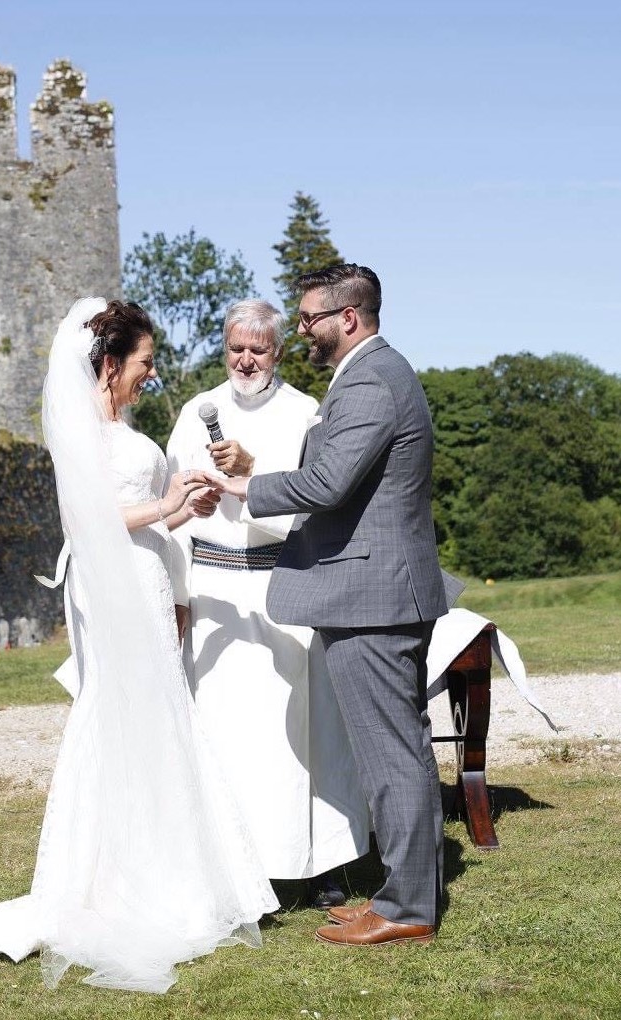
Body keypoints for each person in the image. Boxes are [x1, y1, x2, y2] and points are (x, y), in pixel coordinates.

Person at [0, 298, 278, 992]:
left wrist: (182, 509)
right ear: (111, 363)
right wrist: (166, 501)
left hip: (144, 572)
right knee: (118, 713)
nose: (152, 373)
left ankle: (171, 872)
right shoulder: (81, 429)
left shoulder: (121, 425)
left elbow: (139, 519)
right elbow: (89, 519)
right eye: (145, 362)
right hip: (110, 584)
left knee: (157, 716)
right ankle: (113, 883)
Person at [214, 265, 459, 948]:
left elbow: (328, 483)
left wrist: (245, 485)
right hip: (374, 592)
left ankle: (407, 907)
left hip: (372, 597)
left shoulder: (372, 381)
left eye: (308, 319)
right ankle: (403, 891)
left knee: (391, 754)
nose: (302, 331)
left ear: (347, 317)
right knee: (397, 750)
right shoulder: (370, 375)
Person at [166, 299, 369, 908]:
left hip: (280, 582)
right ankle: (228, 862)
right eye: (236, 349)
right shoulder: (195, 412)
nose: (246, 360)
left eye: (258, 349)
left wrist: (255, 475)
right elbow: (172, 504)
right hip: (214, 593)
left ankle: (311, 862)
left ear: (277, 352)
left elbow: (320, 504)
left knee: (295, 734)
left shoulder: (304, 412)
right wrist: (193, 518)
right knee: (222, 733)